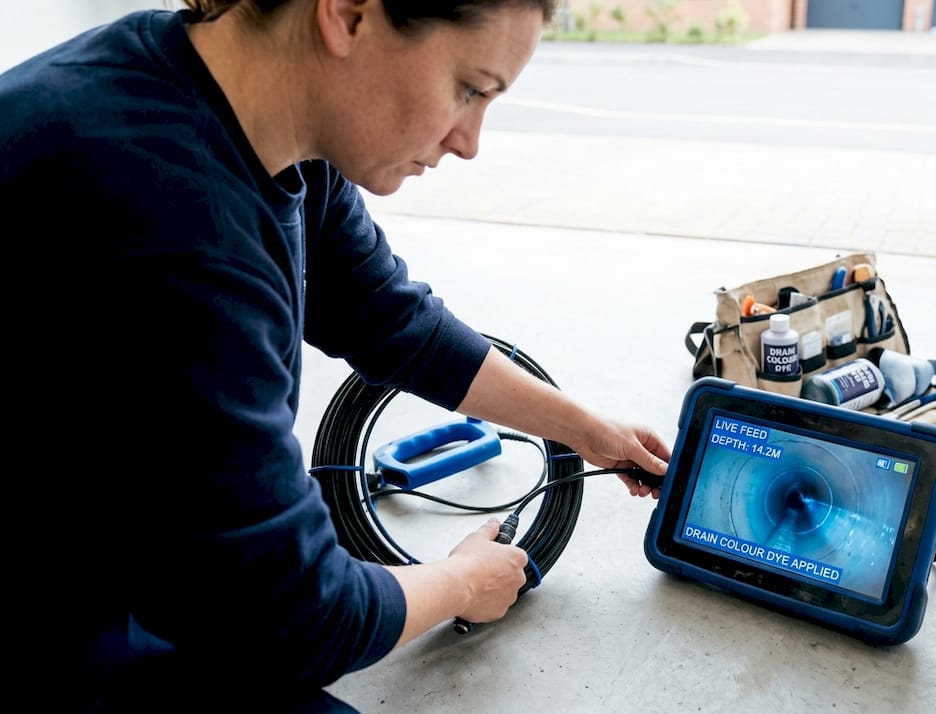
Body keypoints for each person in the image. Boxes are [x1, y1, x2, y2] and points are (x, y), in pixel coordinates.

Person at [0, 0, 669, 710]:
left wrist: (586, 430)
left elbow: (391, 320)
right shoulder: (173, 227)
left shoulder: (231, 106)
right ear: (348, 15)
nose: (470, 140)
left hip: (115, 553)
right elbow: (302, 619)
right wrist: (465, 581)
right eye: (470, 88)